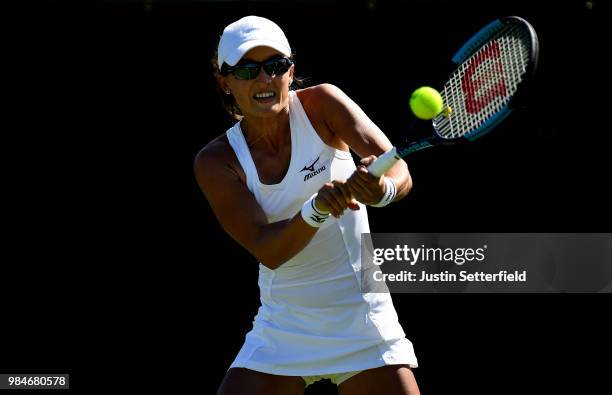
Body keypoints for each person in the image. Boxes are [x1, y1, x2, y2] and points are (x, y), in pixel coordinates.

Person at [194, 15, 420, 395]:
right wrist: (315, 210)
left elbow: (398, 169)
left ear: (290, 70)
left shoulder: (323, 104)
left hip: (361, 317)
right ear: (225, 83)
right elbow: (269, 249)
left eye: (275, 66)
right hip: (283, 326)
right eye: (248, 70)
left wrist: (380, 191)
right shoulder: (217, 161)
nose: (264, 80)